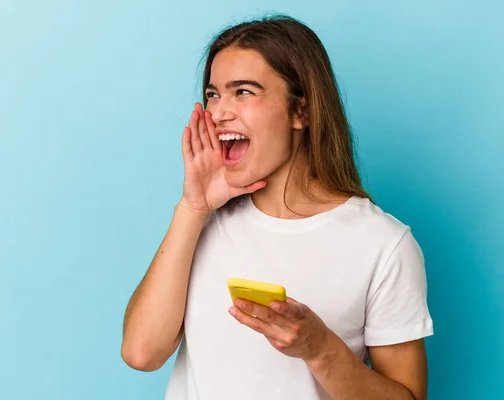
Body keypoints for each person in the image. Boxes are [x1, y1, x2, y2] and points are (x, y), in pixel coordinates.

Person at [121, 14, 434, 400]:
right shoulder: (203, 220)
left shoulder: (384, 244)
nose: (218, 112)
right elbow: (141, 353)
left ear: (301, 111)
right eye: (213, 94)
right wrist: (192, 208)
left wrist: (321, 350)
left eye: (244, 92)